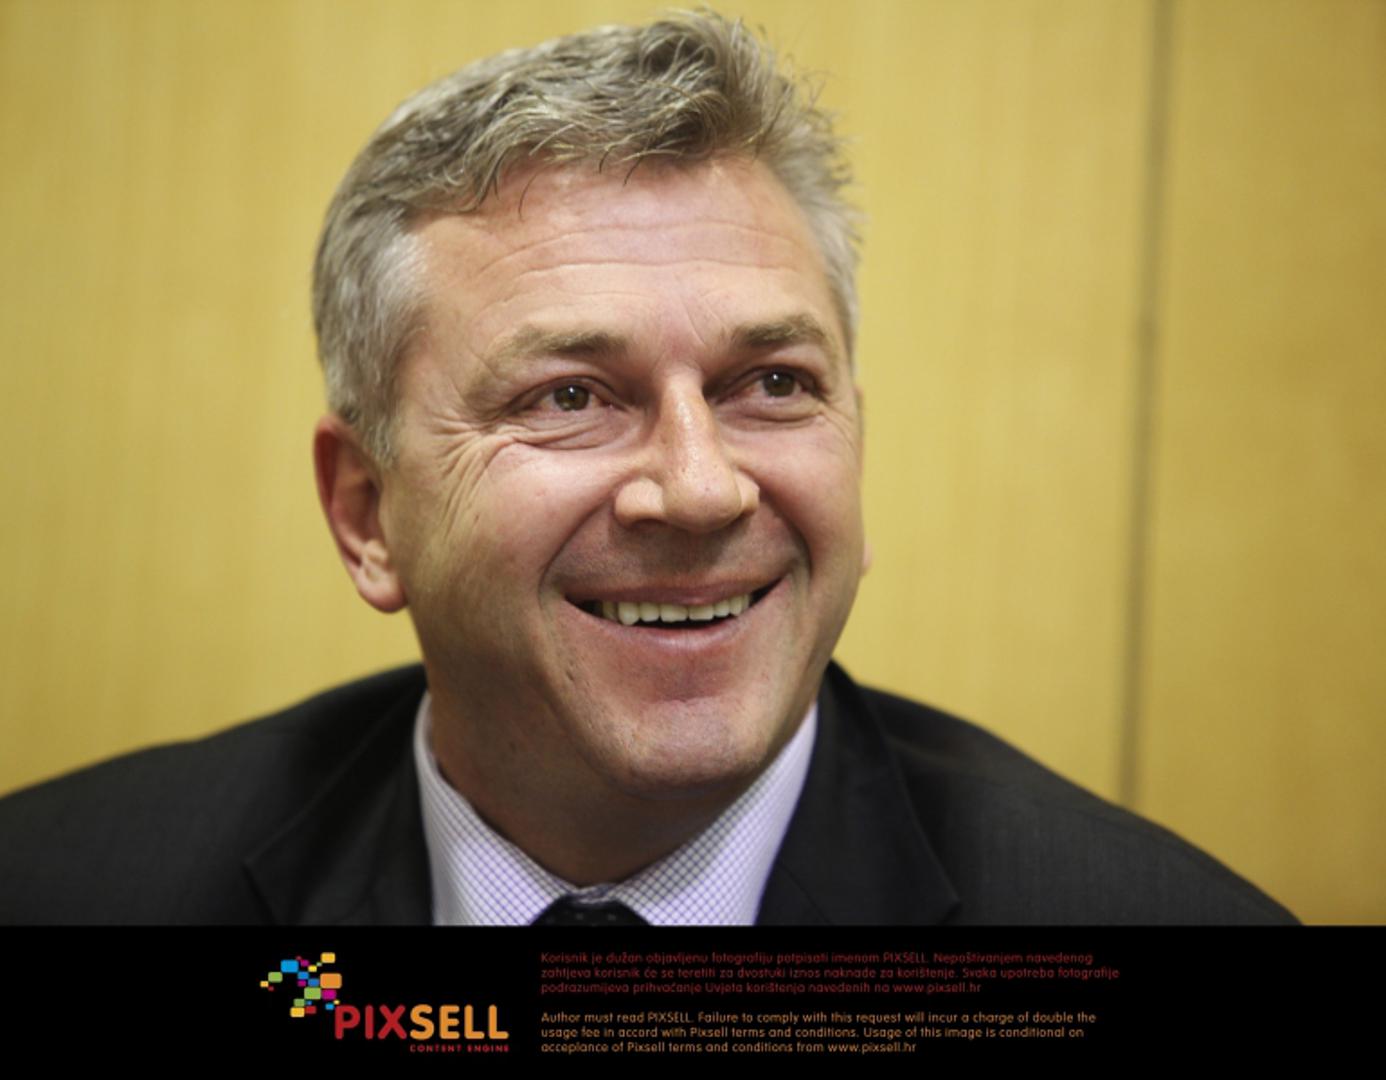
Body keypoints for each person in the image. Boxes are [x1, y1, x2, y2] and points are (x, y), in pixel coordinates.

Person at [0, 12, 1292, 925]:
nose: (701, 488)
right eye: (571, 398)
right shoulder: (64, 888)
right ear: (366, 514)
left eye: (771, 385)